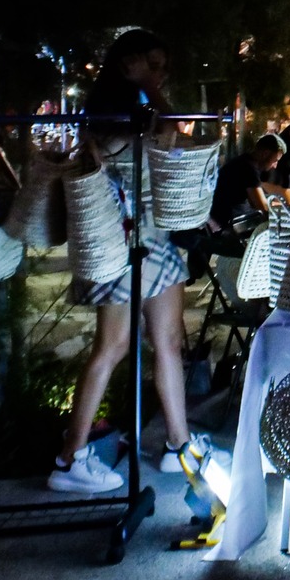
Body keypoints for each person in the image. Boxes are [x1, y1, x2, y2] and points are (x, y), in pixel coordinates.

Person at [51, 29, 221, 495]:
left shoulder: (140, 116)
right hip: (121, 244)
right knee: (112, 347)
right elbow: (169, 133)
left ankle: (179, 445)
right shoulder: (112, 120)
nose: (159, 72)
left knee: (168, 342)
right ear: (127, 67)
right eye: (150, 64)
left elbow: (180, 138)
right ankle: (69, 459)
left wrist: (150, 87)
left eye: (162, 65)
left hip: (155, 242)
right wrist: (150, 86)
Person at [210, 133, 287, 227]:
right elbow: (261, 206)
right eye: (275, 160)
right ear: (265, 153)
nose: (275, 166)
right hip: (231, 224)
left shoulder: (244, 161)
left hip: (228, 219)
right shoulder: (249, 168)